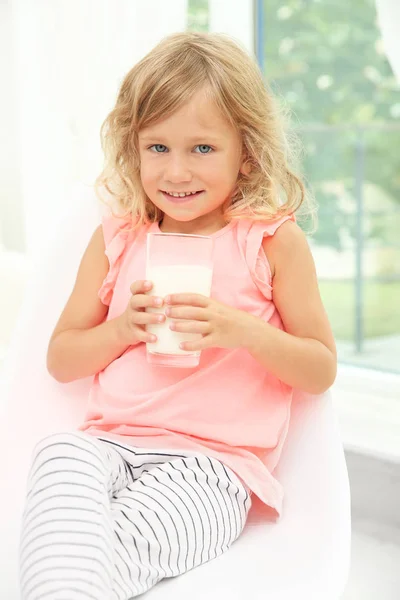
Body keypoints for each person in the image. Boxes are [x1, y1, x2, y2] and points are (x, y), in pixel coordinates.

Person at [18, 31, 337, 600]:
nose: (177, 172)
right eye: (157, 148)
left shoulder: (268, 242)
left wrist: (243, 330)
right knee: (59, 455)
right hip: (107, 443)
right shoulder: (119, 237)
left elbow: (319, 369)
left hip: (212, 466)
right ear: (132, 148)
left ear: (248, 152)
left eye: (203, 149)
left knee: (106, 551)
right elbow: (61, 360)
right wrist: (122, 329)